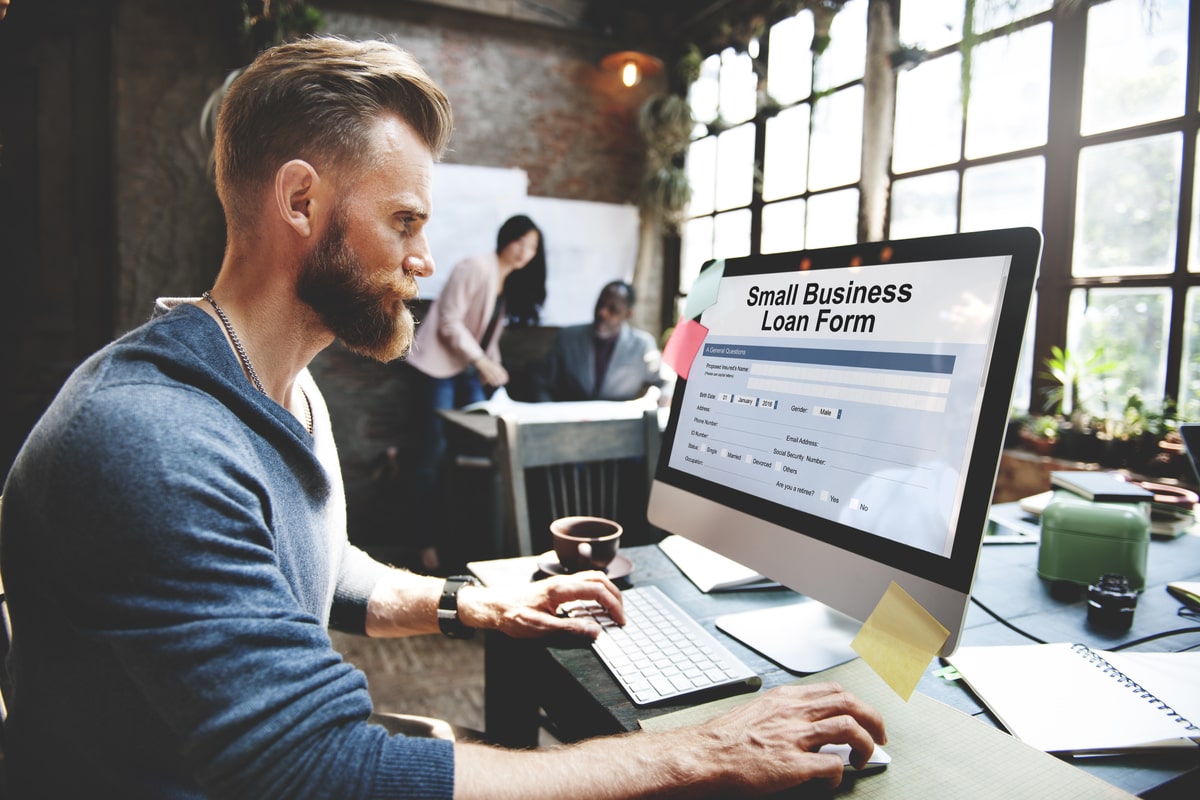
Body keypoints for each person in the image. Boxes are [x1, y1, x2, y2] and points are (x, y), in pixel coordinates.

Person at [0, 36, 886, 799]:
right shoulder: (151, 442)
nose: (425, 258)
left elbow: (320, 568)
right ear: (300, 202)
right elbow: (329, 771)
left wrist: (479, 606)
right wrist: (701, 753)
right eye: (405, 220)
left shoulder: (283, 388)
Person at [404, 214, 545, 570]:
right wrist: (483, 362)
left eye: (532, 248)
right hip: (438, 368)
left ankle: (462, 540)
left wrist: (493, 368)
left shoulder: (506, 282)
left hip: (466, 371)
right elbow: (450, 322)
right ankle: (423, 542)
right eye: (521, 243)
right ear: (505, 238)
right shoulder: (474, 266)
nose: (525, 253)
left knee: (472, 455)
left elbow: (487, 336)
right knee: (433, 454)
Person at [534, 280, 671, 405]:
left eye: (613, 309)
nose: (602, 312)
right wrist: (549, 412)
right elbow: (542, 383)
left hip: (621, 425)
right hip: (570, 422)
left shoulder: (642, 345)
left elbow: (665, 382)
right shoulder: (567, 338)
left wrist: (664, 395)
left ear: (628, 314)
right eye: (600, 304)